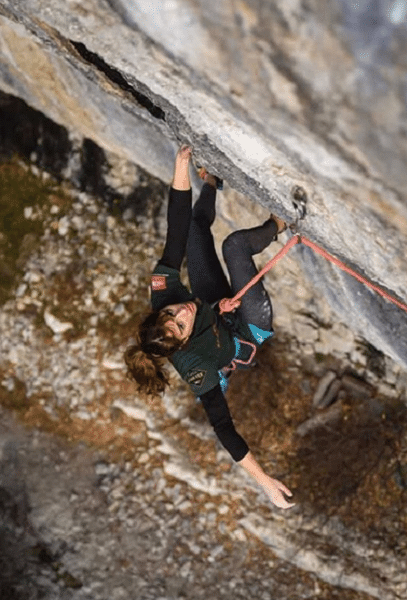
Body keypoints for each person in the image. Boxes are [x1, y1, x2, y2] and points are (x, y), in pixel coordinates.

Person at [125, 145, 295, 509]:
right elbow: (223, 427)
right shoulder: (196, 369)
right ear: (183, 343)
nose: (181, 313)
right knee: (235, 246)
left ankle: (212, 182)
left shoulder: (162, 291)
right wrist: (264, 481)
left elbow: (176, 226)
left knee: (193, 233)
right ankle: (282, 222)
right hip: (247, 331)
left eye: (170, 314)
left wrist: (180, 165)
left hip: (217, 308)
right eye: (181, 326)